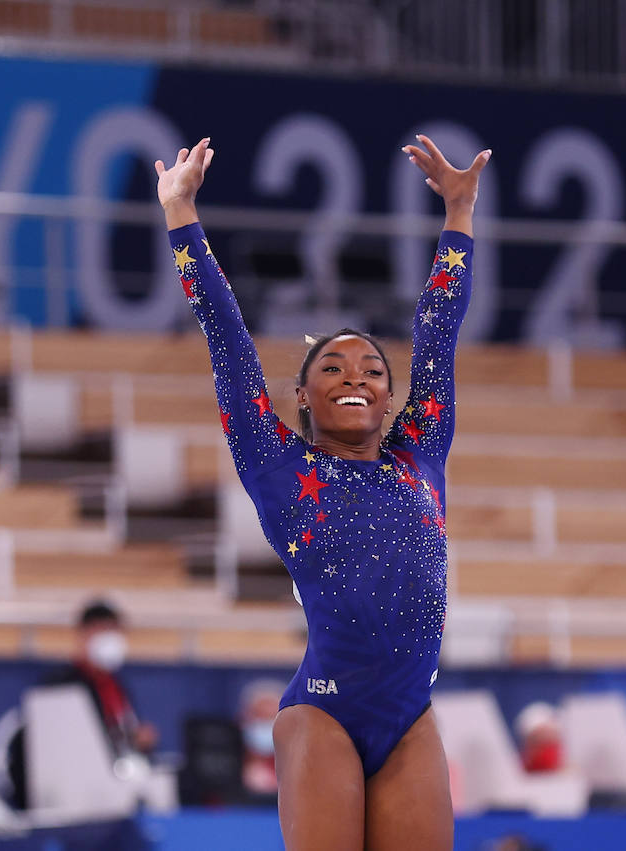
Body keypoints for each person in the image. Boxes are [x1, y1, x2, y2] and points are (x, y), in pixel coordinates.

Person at [157, 134, 489, 850]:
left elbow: (438, 328)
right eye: (332, 369)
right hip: (324, 716)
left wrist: (458, 211)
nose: (355, 378)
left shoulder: (421, 455)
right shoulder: (280, 465)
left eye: (371, 369)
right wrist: (181, 213)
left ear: (393, 398)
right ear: (301, 397)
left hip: (410, 716)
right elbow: (225, 334)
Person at [43, 600, 158, 757]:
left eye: (115, 631)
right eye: (103, 630)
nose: (110, 639)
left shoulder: (117, 686)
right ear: (83, 635)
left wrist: (139, 740)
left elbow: (125, 732)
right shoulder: (62, 686)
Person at [238, 678, 286, 797]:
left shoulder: (296, 770)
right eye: (260, 717)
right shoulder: (226, 766)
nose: (265, 724)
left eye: (271, 718)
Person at [515, 702, 565, 773]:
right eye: (540, 742)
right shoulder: (516, 772)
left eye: (550, 741)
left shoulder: (572, 776)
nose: (547, 747)